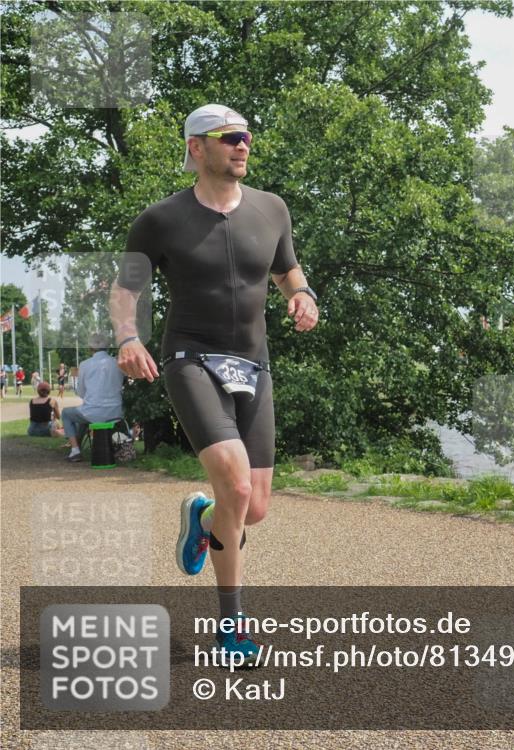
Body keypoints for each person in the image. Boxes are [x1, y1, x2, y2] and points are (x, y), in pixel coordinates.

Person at [111, 103, 319, 665]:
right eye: (229, 137)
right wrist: (129, 338)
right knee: (236, 484)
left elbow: (285, 270)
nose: (242, 145)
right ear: (197, 148)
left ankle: (202, 517)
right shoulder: (160, 219)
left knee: (253, 508)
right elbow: (124, 291)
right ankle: (232, 629)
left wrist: (303, 296)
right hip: (190, 359)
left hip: (255, 365)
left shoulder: (272, 209)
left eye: (247, 136)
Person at [61, 336, 125, 462]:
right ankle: (77, 446)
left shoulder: (85, 364)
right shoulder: (117, 362)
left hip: (93, 412)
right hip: (116, 412)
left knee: (67, 414)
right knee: (84, 414)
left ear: (91, 348)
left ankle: (75, 450)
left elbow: (81, 392)